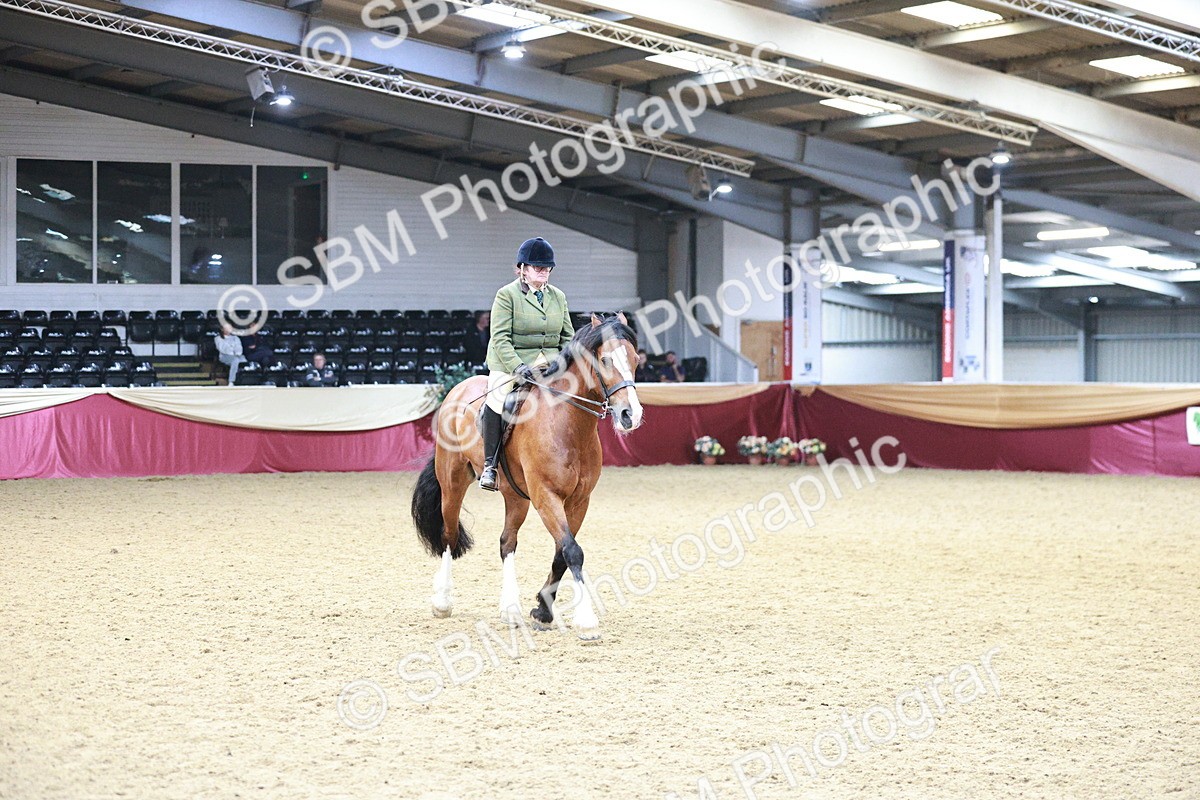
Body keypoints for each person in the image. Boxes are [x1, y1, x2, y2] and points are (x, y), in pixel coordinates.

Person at [478, 237, 573, 491]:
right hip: (510, 362)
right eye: (537, 267)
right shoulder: (506, 295)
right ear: (522, 269)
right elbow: (499, 338)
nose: (543, 272)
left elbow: (567, 337)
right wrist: (518, 367)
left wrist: (567, 363)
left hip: (549, 364)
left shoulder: (558, 297)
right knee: (497, 398)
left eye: (546, 268)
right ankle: (490, 465)